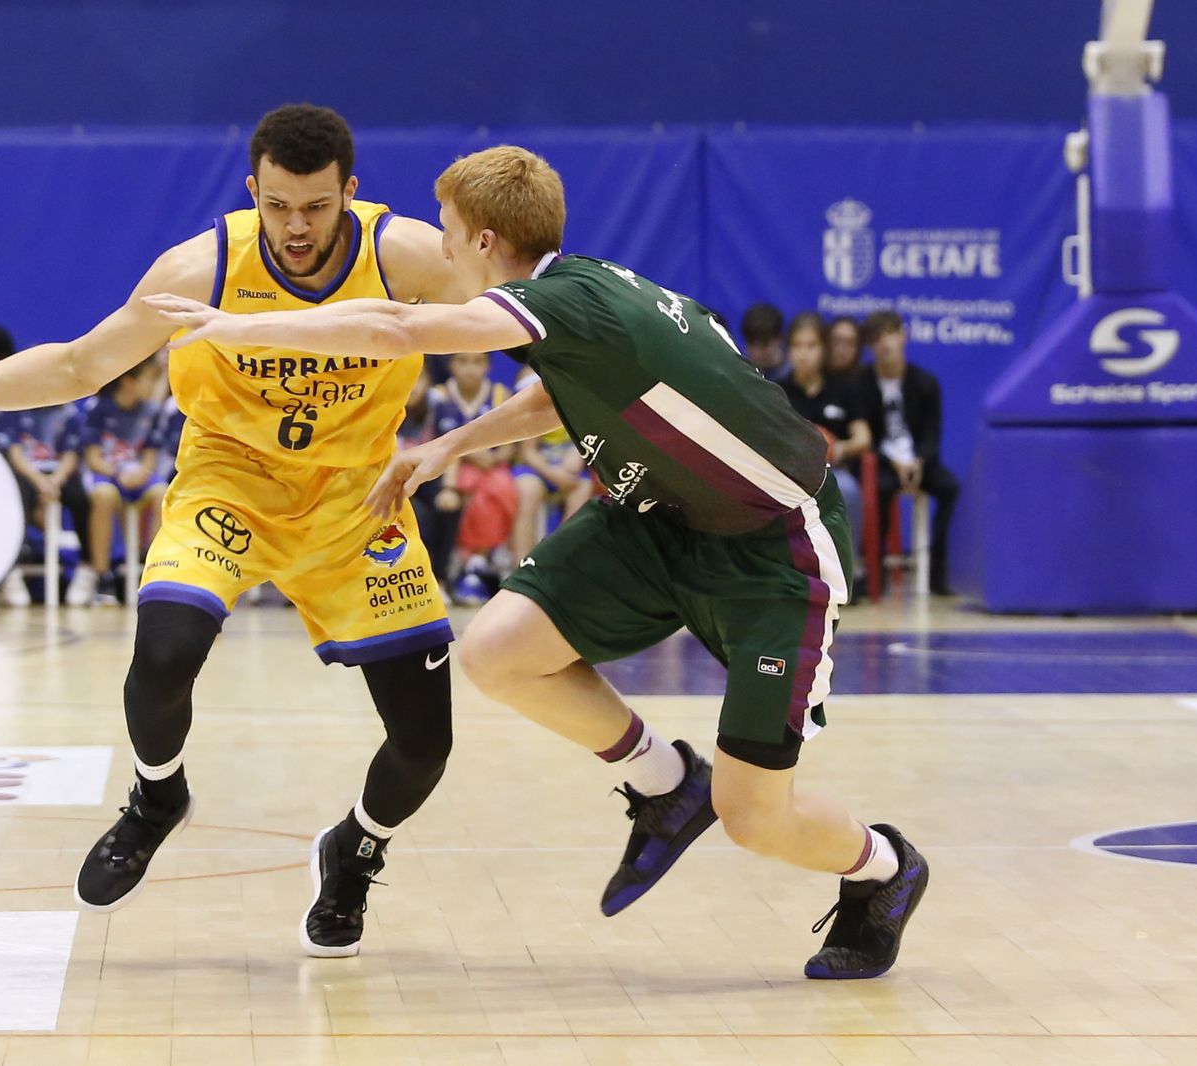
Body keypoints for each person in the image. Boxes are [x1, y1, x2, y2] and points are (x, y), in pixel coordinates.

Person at [144, 144, 929, 981]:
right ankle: (667, 785)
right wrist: (449, 444)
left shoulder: (561, 301)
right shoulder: (581, 294)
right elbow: (559, 394)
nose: (438, 250)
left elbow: (395, 327)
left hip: (772, 550)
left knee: (755, 818)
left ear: (484, 242)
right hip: (660, 519)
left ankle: (883, 871)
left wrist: (237, 326)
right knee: (498, 651)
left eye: (447, 233)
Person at [0, 104, 463, 958]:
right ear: (252, 192)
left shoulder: (403, 255)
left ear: (351, 192)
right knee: (160, 657)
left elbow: (529, 314)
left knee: (425, 743)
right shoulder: (203, 268)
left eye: (316, 207)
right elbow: (80, 365)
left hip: (355, 503)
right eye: (277, 206)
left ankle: (355, 850)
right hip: (228, 487)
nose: (296, 227)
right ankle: (157, 798)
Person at [853, 311, 960, 596]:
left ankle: (939, 569)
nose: (885, 343)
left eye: (890, 333)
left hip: (920, 462)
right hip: (884, 464)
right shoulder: (861, 384)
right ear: (869, 347)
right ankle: (875, 572)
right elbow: (865, 438)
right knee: (878, 490)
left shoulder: (926, 382)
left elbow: (932, 432)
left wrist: (919, 461)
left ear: (904, 335)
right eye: (876, 338)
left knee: (950, 488)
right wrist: (893, 463)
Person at [780, 313, 870, 586]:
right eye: (797, 346)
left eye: (811, 346)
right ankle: (788, 572)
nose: (804, 354)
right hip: (789, 475)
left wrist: (837, 448)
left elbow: (863, 437)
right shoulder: (777, 390)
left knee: (851, 491)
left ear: (823, 350)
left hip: (832, 473)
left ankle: (848, 568)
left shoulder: (844, 389)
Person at [79, 357, 172, 604]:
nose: (153, 385)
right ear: (129, 381)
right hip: (108, 473)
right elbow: (93, 458)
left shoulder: (151, 412)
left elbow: (150, 456)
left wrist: (141, 472)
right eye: (149, 379)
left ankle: (154, 567)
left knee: (163, 493)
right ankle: (102, 575)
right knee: (103, 496)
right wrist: (117, 472)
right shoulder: (100, 408)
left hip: (138, 475)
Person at [423, 351, 515, 600]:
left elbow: (510, 444)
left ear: (488, 365)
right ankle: (466, 561)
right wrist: (470, 452)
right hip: (452, 466)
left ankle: (478, 560)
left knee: (500, 486)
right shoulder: (439, 395)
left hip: (492, 467)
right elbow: (431, 440)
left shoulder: (499, 394)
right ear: (451, 364)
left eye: (477, 362)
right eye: (462, 362)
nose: (469, 369)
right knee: (461, 484)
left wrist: (494, 458)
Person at [0, 400, 95, 606]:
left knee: (80, 497)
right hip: (27, 473)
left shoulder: (69, 413)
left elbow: (70, 455)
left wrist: (55, 480)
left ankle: (87, 566)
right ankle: (12, 568)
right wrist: (39, 481)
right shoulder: (14, 410)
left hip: (57, 474)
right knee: (16, 497)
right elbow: (15, 454)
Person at [509, 364, 595, 565]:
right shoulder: (530, 385)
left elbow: (590, 434)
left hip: (566, 471)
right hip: (535, 467)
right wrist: (554, 475)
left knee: (583, 489)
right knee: (528, 492)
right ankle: (520, 568)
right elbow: (527, 452)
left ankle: (557, 565)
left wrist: (579, 452)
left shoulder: (580, 393)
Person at [739, 302, 788, 382]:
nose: (757, 352)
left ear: (780, 339)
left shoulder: (796, 377)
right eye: (752, 344)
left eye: (764, 344)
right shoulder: (739, 375)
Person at [825, 315, 865, 382]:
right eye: (836, 341)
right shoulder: (814, 380)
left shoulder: (866, 383)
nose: (842, 349)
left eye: (850, 343)